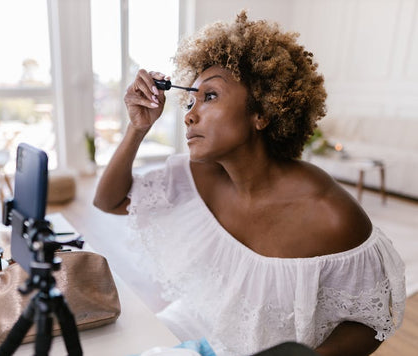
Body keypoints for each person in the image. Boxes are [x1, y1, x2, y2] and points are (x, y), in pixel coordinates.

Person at [93, 11, 405, 356]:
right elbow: (109, 201)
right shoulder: (194, 178)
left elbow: (371, 322)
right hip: (201, 328)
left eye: (210, 96)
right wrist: (137, 128)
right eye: (191, 100)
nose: (190, 114)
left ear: (262, 112)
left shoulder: (329, 213)